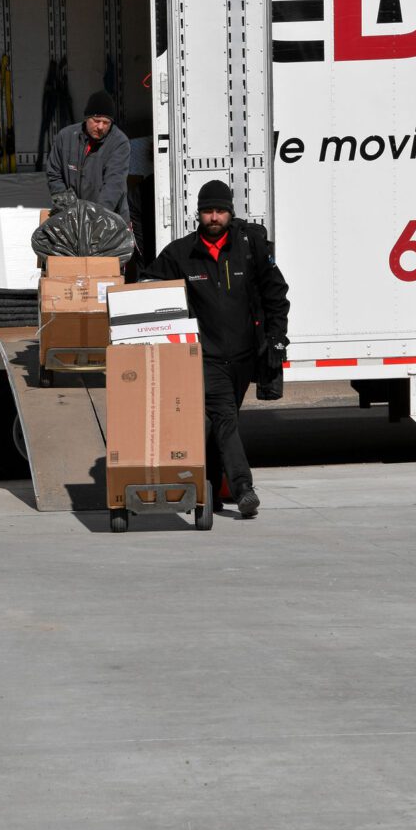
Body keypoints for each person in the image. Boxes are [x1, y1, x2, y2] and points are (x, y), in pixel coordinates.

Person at [142, 179, 290, 518]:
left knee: (222, 423)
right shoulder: (180, 253)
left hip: (244, 356)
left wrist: (277, 338)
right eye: (208, 211)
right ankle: (243, 488)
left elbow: (276, 294)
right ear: (198, 214)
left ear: (230, 213)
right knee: (224, 418)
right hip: (205, 356)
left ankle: (208, 486)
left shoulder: (249, 247)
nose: (213, 217)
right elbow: (148, 285)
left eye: (220, 211)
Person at [46, 90, 131, 224]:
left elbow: (114, 184)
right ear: (87, 118)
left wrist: (93, 217)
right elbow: (54, 173)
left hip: (107, 219)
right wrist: (68, 207)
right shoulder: (65, 137)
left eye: (106, 122)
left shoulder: (119, 142)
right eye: (96, 121)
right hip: (71, 216)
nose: (100, 127)